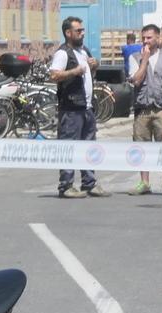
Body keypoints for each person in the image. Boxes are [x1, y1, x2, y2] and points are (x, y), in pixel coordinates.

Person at [50, 17, 109, 198]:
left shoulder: (83, 51)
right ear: (68, 33)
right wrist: (73, 72)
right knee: (69, 146)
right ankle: (66, 185)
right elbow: (54, 75)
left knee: (89, 146)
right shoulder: (63, 53)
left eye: (82, 30)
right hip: (71, 108)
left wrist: (95, 66)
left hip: (86, 107)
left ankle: (89, 183)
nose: (82, 33)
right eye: (78, 31)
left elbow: (90, 74)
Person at [127, 23, 162, 196]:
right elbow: (136, 80)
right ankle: (144, 182)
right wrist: (144, 59)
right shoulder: (135, 57)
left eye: (149, 37)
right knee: (141, 147)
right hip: (142, 109)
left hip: (161, 109)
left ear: (158, 38)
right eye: (143, 38)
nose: (146, 41)